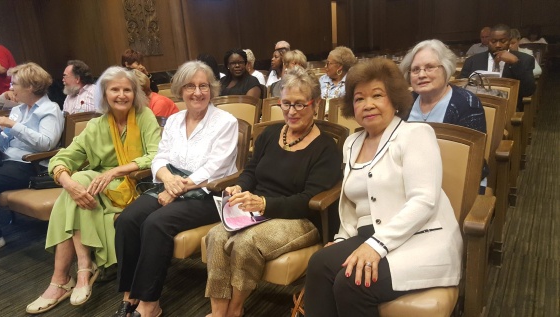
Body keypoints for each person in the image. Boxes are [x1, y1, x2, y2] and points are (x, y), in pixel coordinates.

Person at [304, 58, 463, 317]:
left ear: (394, 99)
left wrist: (377, 245)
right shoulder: (352, 142)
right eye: (359, 99)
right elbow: (351, 202)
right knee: (320, 263)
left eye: (377, 95)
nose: (368, 105)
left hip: (419, 238)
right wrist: (343, 238)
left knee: (353, 282)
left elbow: (423, 201)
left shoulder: (415, 135)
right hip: (369, 234)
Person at [204, 67, 342, 317]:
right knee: (216, 235)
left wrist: (264, 204)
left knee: (245, 243)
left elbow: (307, 201)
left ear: (316, 104)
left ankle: (235, 310)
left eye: (300, 104)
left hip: (299, 218)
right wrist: (240, 186)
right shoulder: (269, 134)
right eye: (286, 103)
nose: (291, 111)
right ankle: (218, 312)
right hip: (257, 210)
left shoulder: (325, 149)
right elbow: (251, 171)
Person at [26, 66, 161, 314]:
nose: (121, 95)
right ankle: (81, 270)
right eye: (115, 90)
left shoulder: (145, 117)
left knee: (82, 181)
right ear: (104, 94)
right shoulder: (96, 125)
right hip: (96, 189)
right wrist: (67, 182)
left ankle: (64, 279)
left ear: (135, 93)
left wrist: (115, 171)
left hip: (137, 185)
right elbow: (63, 158)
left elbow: (155, 157)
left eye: (127, 90)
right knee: (76, 184)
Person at [113, 61, 238, 317]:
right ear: (180, 90)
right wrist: (167, 179)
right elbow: (160, 157)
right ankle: (130, 293)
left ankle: (150, 304)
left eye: (203, 86)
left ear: (212, 90)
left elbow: (215, 168)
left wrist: (176, 188)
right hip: (171, 183)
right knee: (127, 219)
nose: (197, 92)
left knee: (156, 223)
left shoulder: (226, 121)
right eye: (190, 86)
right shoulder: (174, 120)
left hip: (209, 193)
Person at [400, 39, 488, 192]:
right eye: (415, 70)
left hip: (456, 181)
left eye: (429, 67)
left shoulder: (467, 104)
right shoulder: (405, 102)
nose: (421, 75)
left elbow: (472, 162)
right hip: (409, 178)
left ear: (446, 69)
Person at [0, 62, 64, 249]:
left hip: (28, 165)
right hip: (5, 157)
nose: (11, 88)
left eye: (15, 83)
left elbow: (46, 143)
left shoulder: (50, 110)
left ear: (31, 86)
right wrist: (0, 133)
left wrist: (13, 126)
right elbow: (6, 140)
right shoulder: (18, 110)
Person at [459, 24, 536, 111]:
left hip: (508, 108)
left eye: (503, 41)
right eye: (493, 41)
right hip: (475, 106)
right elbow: (460, 88)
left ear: (509, 41)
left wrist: (515, 64)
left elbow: (528, 91)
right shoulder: (472, 61)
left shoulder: (524, 59)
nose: (498, 45)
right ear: (488, 41)